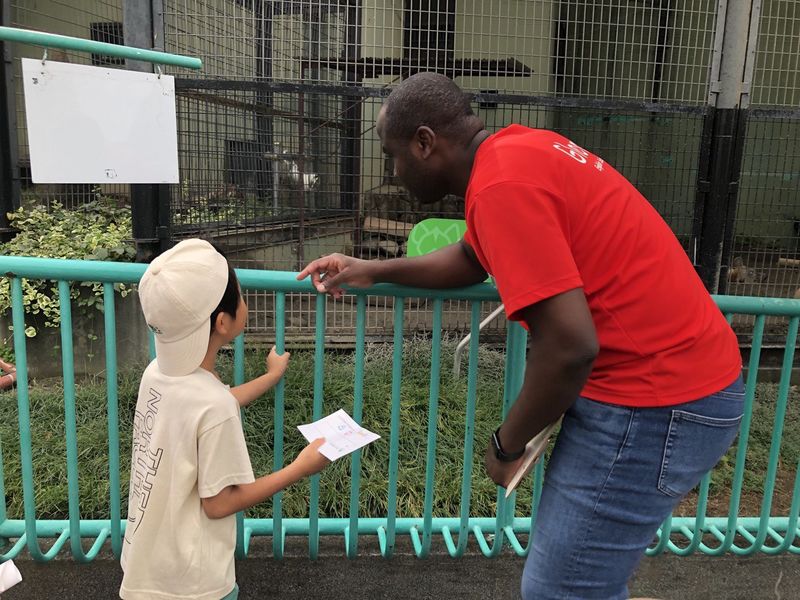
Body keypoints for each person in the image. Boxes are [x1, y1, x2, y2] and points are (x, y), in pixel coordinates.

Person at [297, 73, 743, 599]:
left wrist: (505, 444)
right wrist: (374, 270)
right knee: (581, 584)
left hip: (655, 400)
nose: (394, 171)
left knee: (562, 589)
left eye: (392, 155)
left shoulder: (501, 186)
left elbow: (569, 346)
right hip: (670, 386)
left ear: (424, 142)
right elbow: (472, 256)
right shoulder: (517, 151)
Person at [120, 239, 329, 600]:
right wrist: (301, 467)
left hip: (146, 566)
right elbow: (219, 504)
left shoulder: (157, 373)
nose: (245, 302)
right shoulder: (212, 404)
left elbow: (208, 406)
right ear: (222, 322)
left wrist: (270, 377)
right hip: (196, 584)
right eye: (241, 295)